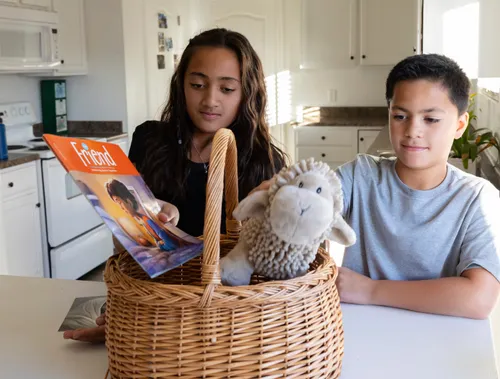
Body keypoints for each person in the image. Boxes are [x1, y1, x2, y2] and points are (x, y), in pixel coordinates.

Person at [63, 27, 287, 343]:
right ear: (181, 85)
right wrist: (145, 219)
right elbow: (124, 250)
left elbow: (273, 267)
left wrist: (265, 219)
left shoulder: (264, 161)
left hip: (228, 320)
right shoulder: (149, 140)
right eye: (197, 85)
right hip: (153, 303)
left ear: (247, 93)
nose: (210, 100)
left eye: (226, 89)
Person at [337, 54, 499, 319]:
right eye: (400, 116)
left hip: (438, 341)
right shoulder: (360, 175)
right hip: (360, 334)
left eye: (431, 119)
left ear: (460, 125)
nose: (413, 130)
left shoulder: (477, 198)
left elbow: (479, 298)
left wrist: (370, 290)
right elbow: (313, 197)